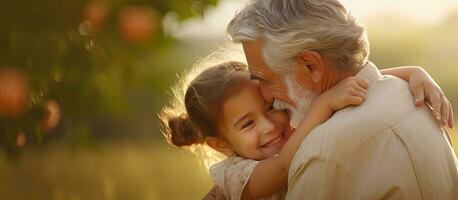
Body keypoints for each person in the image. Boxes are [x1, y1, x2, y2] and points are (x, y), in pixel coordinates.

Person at [226, 0, 457, 199]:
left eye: (266, 80)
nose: (265, 96)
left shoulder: (324, 152)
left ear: (311, 66)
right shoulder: (409, 94)